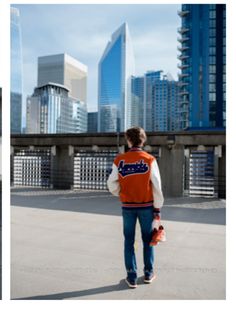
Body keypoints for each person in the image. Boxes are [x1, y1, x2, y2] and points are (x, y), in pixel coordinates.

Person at [107, 127, 164, 288]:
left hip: (127, 207)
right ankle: (148, 274)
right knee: (149, 240)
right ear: (143, 140)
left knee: (128, 241)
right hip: (147, 207)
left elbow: (111, 183)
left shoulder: (119, 160)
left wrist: (120, 192)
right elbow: (157, 186)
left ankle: (131, 277)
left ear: (128, 140)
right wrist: (157, 208)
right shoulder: (150, 159)